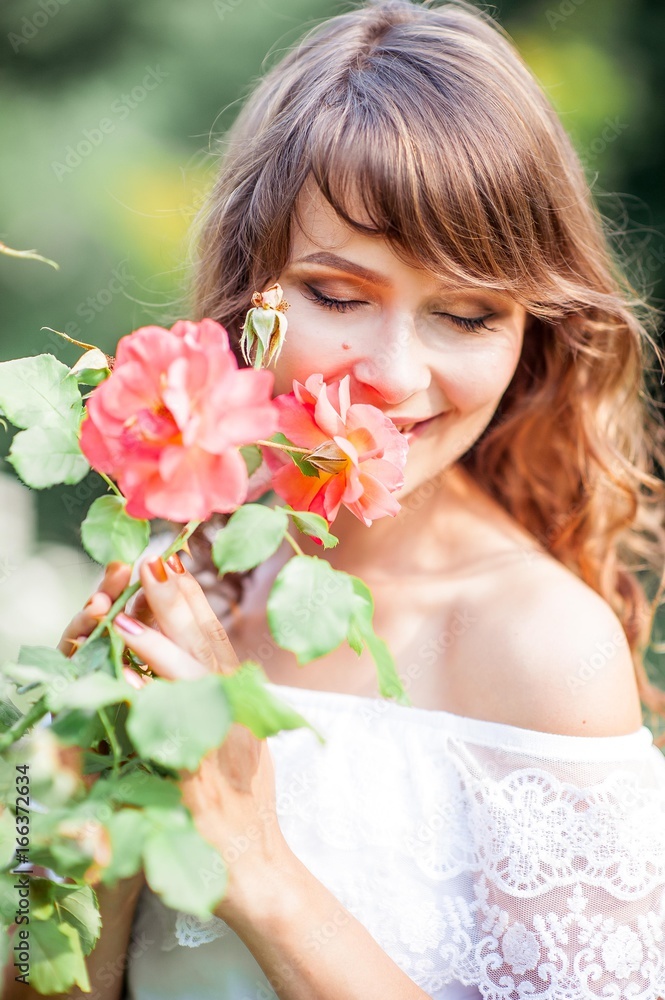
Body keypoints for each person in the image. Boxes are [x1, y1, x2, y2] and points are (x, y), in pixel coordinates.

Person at [6, 1, 665, 998]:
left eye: (465, 313)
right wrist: (61, 813)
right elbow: (36, 976)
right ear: (252, 290)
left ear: (529, 328)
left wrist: (257, 865)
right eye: (340, 296)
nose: (393, 377)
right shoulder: (176, 579)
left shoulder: (547, 649)